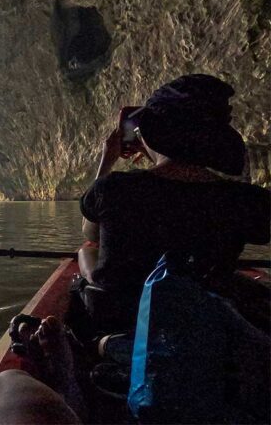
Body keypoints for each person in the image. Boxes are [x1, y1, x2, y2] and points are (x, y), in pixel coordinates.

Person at [77, 74, 270, 331]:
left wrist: (109, 161)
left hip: (126, 324)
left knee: (87, 249)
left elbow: (91, 233)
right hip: (205, 327)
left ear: (153, 132)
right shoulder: (246, 200)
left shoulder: (115, 189)